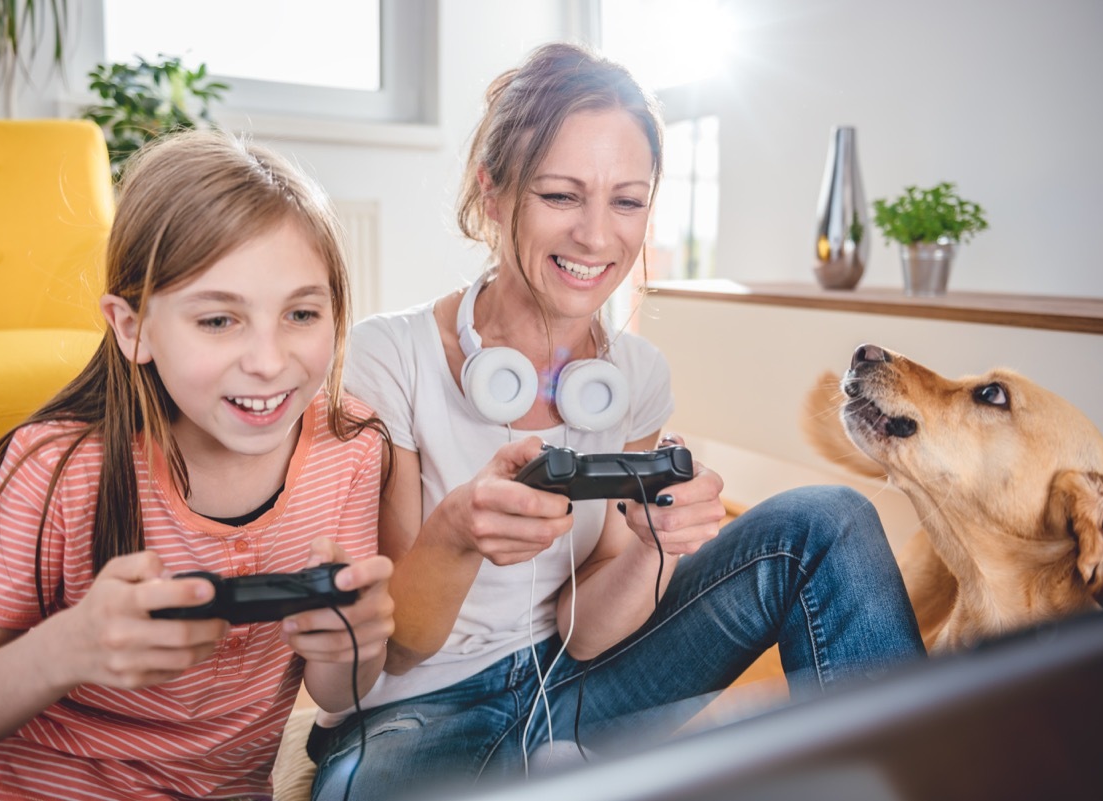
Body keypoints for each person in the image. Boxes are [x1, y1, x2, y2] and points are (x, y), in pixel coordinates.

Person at [309, 42, 925, 801]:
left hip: (577, 679)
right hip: (417, 712)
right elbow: (400, 643)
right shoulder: (388, 356)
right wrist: (457, 532)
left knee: (828, 519)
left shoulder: (633, 376)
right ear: (494, 194)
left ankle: (917, 776)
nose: (597, 238)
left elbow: (590, 626)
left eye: (626, 201)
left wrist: (648, 549)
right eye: (561, 196)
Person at [0, 130, 395, 801]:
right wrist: (69, 648)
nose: (268, 359)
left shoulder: (351, 447)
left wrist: (356, 645)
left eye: (300, 313)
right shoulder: (59, 467)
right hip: (27, 786)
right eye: (218, 320)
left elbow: (332, 687)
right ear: (131, 326)